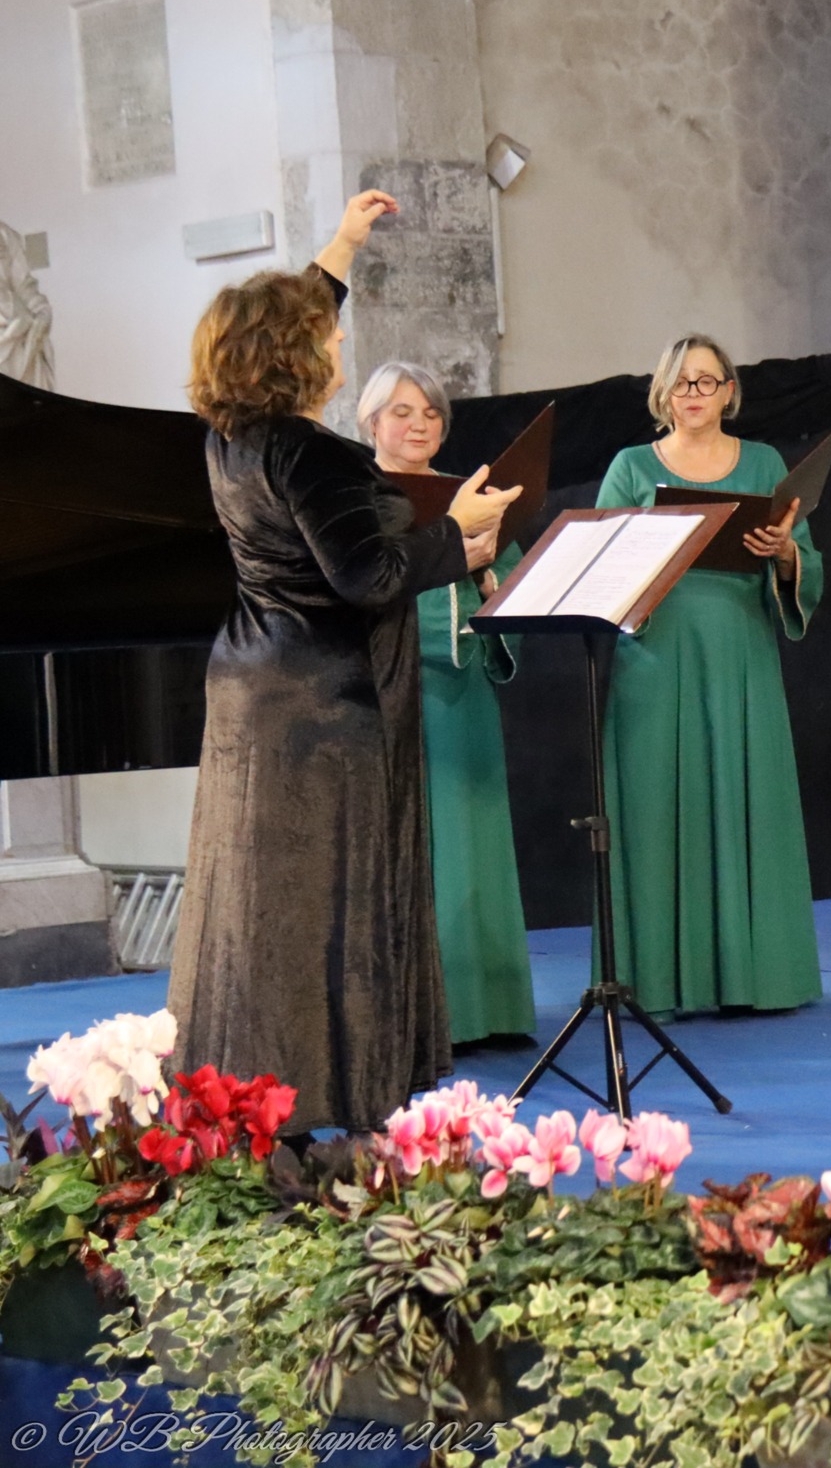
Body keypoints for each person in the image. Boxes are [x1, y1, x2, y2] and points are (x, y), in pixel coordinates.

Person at [170, 191, 518, 1131]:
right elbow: (367, 578)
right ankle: (332, 1086)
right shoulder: (316, 454)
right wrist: (460, 532)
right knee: (324, 913)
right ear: (293, 358)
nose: (334, 350)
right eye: (318, 340)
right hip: (322, 705)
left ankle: (238, 1091)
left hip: (250, 684)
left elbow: (289, 317)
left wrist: (343, 248)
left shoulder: (228, 439)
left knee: (256, 905)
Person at [594, 335, 823, 1014]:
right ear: (663, 393)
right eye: (681, 382)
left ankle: (753, 976)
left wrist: (783, 553)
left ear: (730, 390)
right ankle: (659, 981)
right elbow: (595, 556)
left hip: (738, 651)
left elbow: (803, 556)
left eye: (707, 381)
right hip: (653, 653)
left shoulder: (764, 461)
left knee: (740, 795)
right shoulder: (631, 465)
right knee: (656, 803)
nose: (693, 394)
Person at [360, 361, 535, 1047]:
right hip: (392, 692)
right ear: (371, 420)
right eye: (402, 412)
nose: (419, 424)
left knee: (474, 844)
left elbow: (516, 587)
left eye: (431, 413)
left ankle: (485, 1010)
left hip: (466, 693)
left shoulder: (474, 494)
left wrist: (494, 581)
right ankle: (410, 1020)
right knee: (405, 849)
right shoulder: (356, 499)